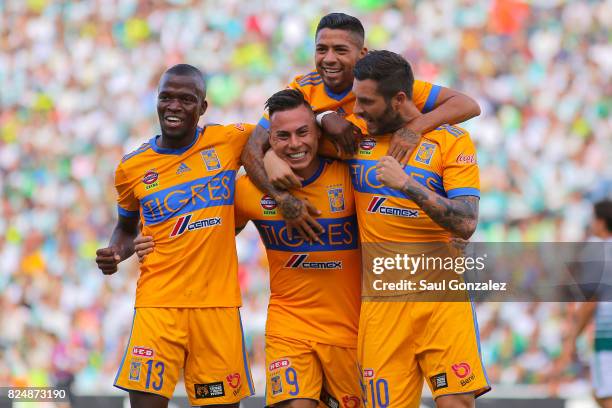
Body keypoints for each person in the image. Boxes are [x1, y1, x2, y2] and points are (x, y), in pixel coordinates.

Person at [264, 50, 490, 407]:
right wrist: (271, 157)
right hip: (380, 307)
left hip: (441, 302)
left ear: (399, 99)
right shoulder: (353, 140)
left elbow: (466, 223)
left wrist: (408, 186)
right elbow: (288, 140)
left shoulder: (451, 140)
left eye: (366, 102)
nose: (357, 110)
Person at [136, 89, 363, 408]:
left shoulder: (352, 178)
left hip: (352, 332)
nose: (295, 144)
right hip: (289, 327)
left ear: (317, 132)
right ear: (269, 140)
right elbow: (203, 230)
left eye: (303, 132)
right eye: (282, 136)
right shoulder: (247, 191)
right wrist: (146, 239)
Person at [241, 12, 481, 243]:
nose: (329, 58)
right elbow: (256, 146)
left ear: (362, 53)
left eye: (340, 50)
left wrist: (414, 128)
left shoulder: (384, 84)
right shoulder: (303, 91)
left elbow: (467, 105)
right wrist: (279, 163)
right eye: (321, 49)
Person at [95, 64, 255, 407]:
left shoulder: (228, 140)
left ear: (203, 107)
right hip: (158, 306)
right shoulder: (131, 167)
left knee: (216, 402)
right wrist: (114, 254)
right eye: (166, 97)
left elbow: (284, 129)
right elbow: (125, 228)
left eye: (186, 99)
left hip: (217, 308)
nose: (174, 106)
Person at [558, 200, 612, 408]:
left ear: (600, 222)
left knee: (605, 394)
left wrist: (572, 337)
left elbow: (592, 300)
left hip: (608, 333)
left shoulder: (597, 251)